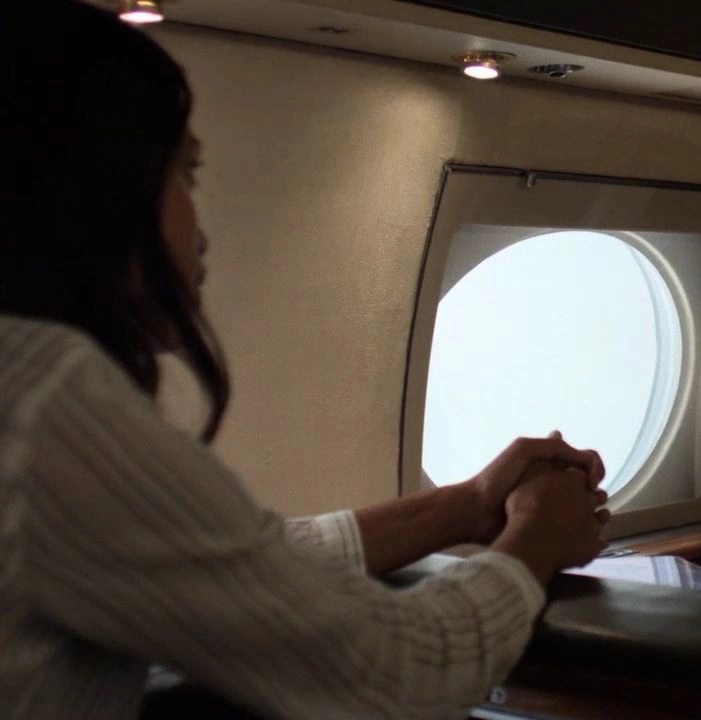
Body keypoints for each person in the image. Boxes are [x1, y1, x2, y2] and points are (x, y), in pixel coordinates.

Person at [0, 2, 609, 718]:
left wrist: (467, 505)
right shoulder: (46, 403)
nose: (202, 230)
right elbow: (397, 672)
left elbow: (231, 568)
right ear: (90, 188)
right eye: (185, 173)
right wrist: (539, 536)